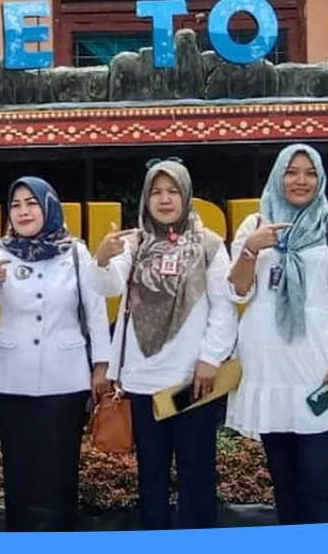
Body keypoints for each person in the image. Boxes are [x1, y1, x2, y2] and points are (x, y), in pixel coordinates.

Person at [91, 159, 238, 530]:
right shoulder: (135, 244)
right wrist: (103, 260)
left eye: (172, 191)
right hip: (142, 381)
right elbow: (108, 286)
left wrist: (210, 358)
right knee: (151, 477)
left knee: (196, 473)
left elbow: (224, 306)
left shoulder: (209, 245)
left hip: (191, 381)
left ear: (186, 195)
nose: (165, 199)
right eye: (156, 192)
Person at [225, 143, 328, 525]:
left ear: (320, 179)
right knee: (284, 485)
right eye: (292, 171)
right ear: (278, 176)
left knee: (319, 483)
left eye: (309, 172)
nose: (300, 180)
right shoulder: (256, 225)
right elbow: (238, 290)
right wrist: (251, 251)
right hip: (268, 368)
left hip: (316, 366)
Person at [0, 176, 111, 532]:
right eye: (16, 205)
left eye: (31, 203)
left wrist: (102, 366)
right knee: (20, 468)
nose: (23, 211)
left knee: (59, 467)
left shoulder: (76, 252)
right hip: (13, 378)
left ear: (48, 206)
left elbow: (95, 312)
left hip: (64, 377)